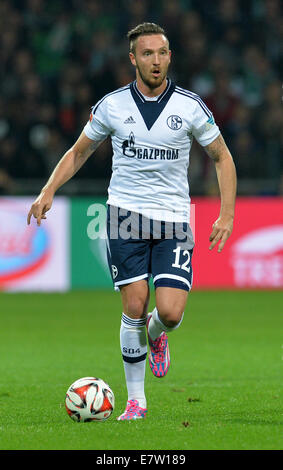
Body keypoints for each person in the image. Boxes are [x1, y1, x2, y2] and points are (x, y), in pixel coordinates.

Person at [27, 23, 237, 421]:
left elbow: (222, 156)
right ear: (133, 59)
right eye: (147, 54)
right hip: (125, 215)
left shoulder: (190, 106)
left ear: (170, 56)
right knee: (135, 305)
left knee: (170, 313)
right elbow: (78, 152)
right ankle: (136, 403)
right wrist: (48, 189)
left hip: (174, 219)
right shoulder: (112, 105)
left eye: (161, 53)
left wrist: (226, 213)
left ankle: (156, 337)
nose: (155, 61)